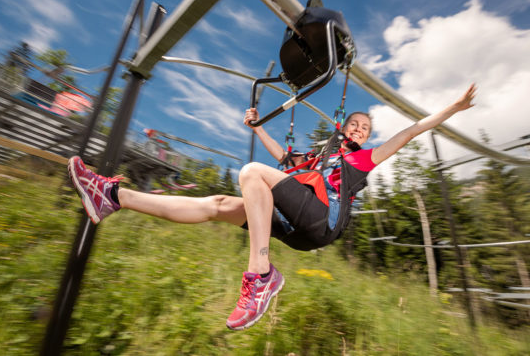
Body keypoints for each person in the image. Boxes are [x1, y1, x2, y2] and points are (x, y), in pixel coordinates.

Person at [67, 83, 477, 330]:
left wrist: (451, 110)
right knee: (220, 202)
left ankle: (260, 275)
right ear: (341, 127)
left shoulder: (360, 160)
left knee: (250, 174)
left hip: (322, 222)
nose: (359, 130)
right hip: (295, 223)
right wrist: (257, 126)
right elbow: (282, 158)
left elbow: (411, 131)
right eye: (354, 124)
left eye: (365, 129)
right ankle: (112, 197)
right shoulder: (315, 158)